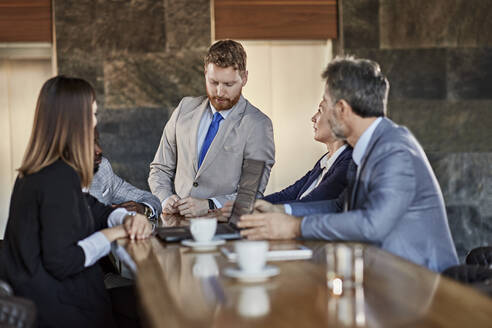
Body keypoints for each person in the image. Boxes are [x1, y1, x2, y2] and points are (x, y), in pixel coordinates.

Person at [238, 56, 459, 272]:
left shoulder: (395, 150)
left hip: (424, 285)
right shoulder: (365, 148)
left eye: (325, 104)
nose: (318, 114)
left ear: (342, 109)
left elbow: (371, 225)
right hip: (385, 276)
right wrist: (281, 210)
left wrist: (294, 227)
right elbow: (338, 206)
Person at [0, 76, 151, 327]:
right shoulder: (56, 177)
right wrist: (116, 232)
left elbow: (92, 208)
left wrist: (126, 218)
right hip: (57, 308)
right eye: (92, 114)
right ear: (74, 121)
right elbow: (64, 262)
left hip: (56, 297)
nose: (95, 122)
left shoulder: (43, 172)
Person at [149, 39, 275, 217]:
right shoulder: (184, 108)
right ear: (205, 73)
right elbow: (160, 168)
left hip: (224, 230)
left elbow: (251, 193)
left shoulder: (258, 125)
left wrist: (209, 205)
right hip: (175, 226)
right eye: (213, 82)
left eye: (229, 84)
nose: (220, 92)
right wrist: (164, 198)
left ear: (244, 78)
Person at [263, 105, 352, 204]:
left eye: (320, 111)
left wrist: (264, 210)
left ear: (339, 118)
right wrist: (250, 206)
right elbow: (288, 194)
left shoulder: (348, 162)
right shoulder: (325, 160)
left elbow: (311, 204)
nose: (313, 118)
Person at [90, 128, 162, 219]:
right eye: (89, 144)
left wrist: (143, 209)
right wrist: (111, 215)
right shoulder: (67, 182)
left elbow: (151, 199)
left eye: (96, 141)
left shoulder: (102, 168)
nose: (99, 150)